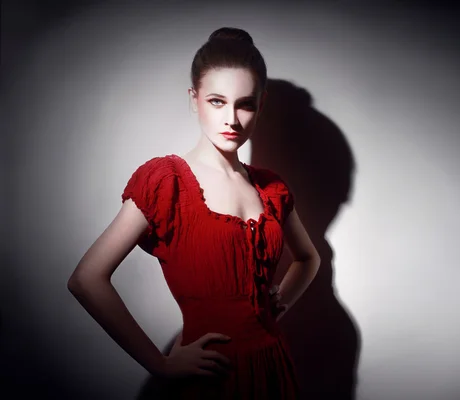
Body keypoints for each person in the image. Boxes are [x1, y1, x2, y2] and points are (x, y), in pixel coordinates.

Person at [67, 27, 321, 399]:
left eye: (245, 103)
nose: (232, 119)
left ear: (260, 105)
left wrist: (275, 304)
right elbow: (86, 279)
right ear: (194, 99)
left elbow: (309, 258)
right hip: (210, 376)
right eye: (217, 101)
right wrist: (160, 362)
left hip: (273, 368)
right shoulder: (165, 181)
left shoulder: (271, 188)